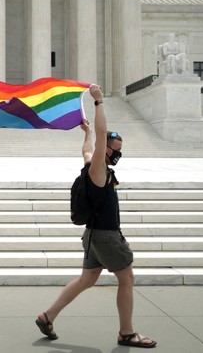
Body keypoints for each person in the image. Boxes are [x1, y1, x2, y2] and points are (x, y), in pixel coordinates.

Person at [35, 84, 157, 348]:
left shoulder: (91, 166)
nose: (118, 154)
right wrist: (99, 102)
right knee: (127, 278)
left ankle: (47, 316)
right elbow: (101, 139)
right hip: (106, 236)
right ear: (107, 151)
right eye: (116, 149)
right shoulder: (99, 170)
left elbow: (86, 150)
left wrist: (87, 132)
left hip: (92, 235)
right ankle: (127, 332)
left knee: (87, 279)